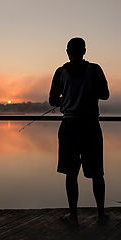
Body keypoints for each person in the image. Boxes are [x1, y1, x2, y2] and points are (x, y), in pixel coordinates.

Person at [49, 37, 109, 226]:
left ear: (68, 51)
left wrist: (65, 99)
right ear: (84, 51)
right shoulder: (95, 69)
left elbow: (52, 100)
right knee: (97, 173)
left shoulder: (60, 72)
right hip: (90, 126)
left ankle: (73, 216)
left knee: (71, 172)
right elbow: (105, 95)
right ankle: (100, 215)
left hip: (69, 126)